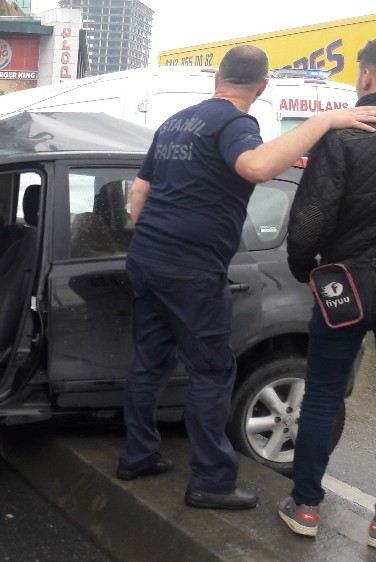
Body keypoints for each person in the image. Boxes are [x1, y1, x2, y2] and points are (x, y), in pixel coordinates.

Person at [118, 44, 376, 510]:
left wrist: (159, 235)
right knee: (212, 371)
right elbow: (256, 167)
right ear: (262, 86)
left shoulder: (176, 121)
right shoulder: (237, 123)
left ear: (217, 76)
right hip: (191, 268)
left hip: (147, 256)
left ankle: (136, 455)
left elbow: (139, 194)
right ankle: (211, 483)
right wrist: (324, 121)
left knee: (149, 361)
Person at [279, 39, 376, 540]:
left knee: (321, 394)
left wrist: (302, 267)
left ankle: (307, 507)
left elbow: (312, 215)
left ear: (365, 76)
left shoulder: (343, 134)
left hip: (347, 285)